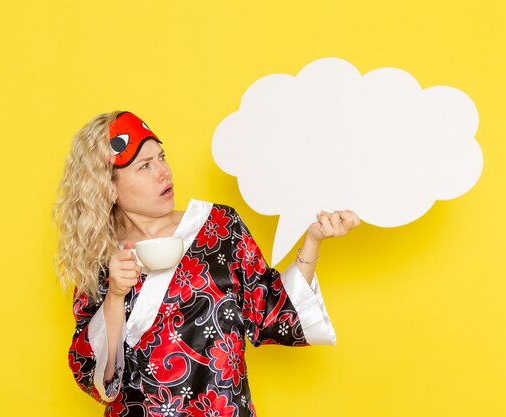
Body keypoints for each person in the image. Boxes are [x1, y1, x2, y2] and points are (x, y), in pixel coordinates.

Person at [53, 111, 360, 417]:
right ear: (109, 188)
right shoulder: (101, 259)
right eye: (144, 166)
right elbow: (98, 378)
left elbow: (272, 313)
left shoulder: (218, 227)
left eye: (161, 157)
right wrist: (116, 295)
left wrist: (313, 239)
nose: (163, 172)